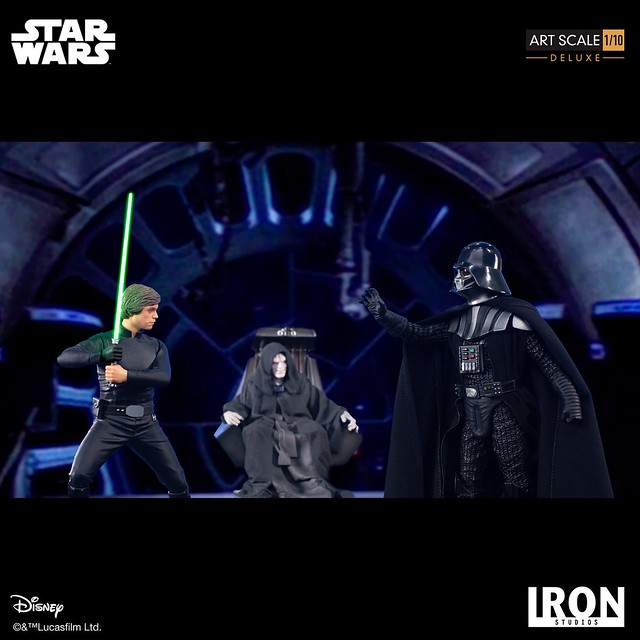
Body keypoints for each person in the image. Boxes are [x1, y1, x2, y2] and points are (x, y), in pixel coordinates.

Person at [360, 241, 613, 498]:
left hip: (505, 406)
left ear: (482, 274)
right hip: (469, 407)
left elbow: (546, 362)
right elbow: (415, 333)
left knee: (515, 474)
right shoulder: (456, 321)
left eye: (464, 271)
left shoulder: (513, 318)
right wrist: (384, 316)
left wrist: (570, 397)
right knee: (468, 477)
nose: (458, 277)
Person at [56, 283, 190, 498]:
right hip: (110, 422)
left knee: (177, 479)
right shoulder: (104, 340)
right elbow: (65, 358)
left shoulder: (156, 346)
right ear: (132, 309)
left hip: (146, 423)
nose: (156, 316)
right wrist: (99, 356)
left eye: (156, 310)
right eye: (150, 310)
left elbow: (163, 377)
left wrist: (126, 375)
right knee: (78, 476)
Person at [222, 341, 359, 498]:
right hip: (264, 423)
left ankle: (312, 482)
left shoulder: (300, 382)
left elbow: (321, 403)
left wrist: (341, 413)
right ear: (267, 364)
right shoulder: (254, 384)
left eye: (283, 362)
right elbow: (240, 403)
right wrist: (229, 412)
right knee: (255, 431)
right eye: (275, 363)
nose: (280, 366)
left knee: (315, 431)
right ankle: (261, 485)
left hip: (298, 422)